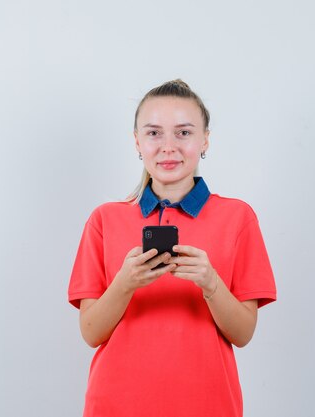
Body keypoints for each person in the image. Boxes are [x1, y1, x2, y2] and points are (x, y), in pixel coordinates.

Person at [68, 79, 277, 417]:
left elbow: (243, 333)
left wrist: (211, 283)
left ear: (205, 139)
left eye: (183, 132)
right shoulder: (104, 220)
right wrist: (125, 283)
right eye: (153, 133)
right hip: (116, 405)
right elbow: (91, 332)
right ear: (137, 141)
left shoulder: (238, 218)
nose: (168, 147)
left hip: (209, 405)